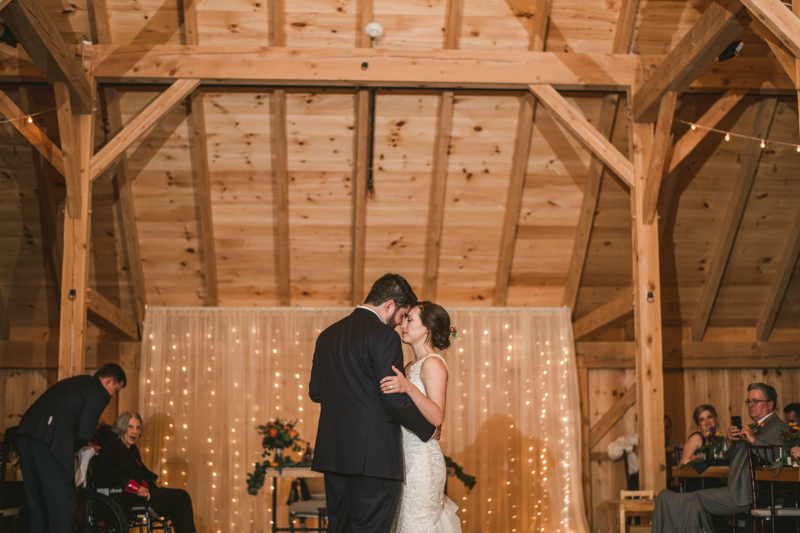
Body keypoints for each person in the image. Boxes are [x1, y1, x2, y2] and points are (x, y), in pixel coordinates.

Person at [309, 273, 436, 533]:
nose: (399, 324)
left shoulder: (327, 335)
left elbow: (316, 392)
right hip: (373, 459)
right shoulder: (382, 336)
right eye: (402, 316)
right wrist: (428, 430)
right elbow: (394, 398)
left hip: (334, 456)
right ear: (389, 305)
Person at [652, 383, 789, 532]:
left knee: (689, 499)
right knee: (685, 499)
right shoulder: (752, 427)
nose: (750, 405)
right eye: (748, 401)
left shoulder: (779, 427)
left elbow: (780, 457)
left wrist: (753, 440)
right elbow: (727, 455)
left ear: (770, 404)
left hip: (747, 493)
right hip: (735, 487)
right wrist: (729, 442)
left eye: (755, 401)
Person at [379, 301, 461, 532]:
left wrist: (408, 388)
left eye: (410, 319)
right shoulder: (409, 366)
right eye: (404, 319)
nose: (403, 324)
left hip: (422, 462)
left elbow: (437, 416)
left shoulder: (433, 363)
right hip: (405, 460)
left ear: (428, 329)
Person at [17, 363, 127, 533]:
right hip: (51, 436)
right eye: (116, 390)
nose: (113, 396)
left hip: (27, 431)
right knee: (64, 501)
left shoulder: (79, 382)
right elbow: (85, 432)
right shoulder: (99, 392)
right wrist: (75, 448)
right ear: (109, 381)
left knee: (37, 501)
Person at [93, 412, 196, 532]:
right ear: (121, 427)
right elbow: (108, 473)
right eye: (130, 426)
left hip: (141, 493)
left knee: (178, 500)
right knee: (181, 497)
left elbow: (140, 472)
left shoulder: (132, 449)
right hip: (127, 496)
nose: (135, 431)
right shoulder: (111, 447)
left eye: (137, 428)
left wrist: (152, 482)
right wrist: (136, 487)